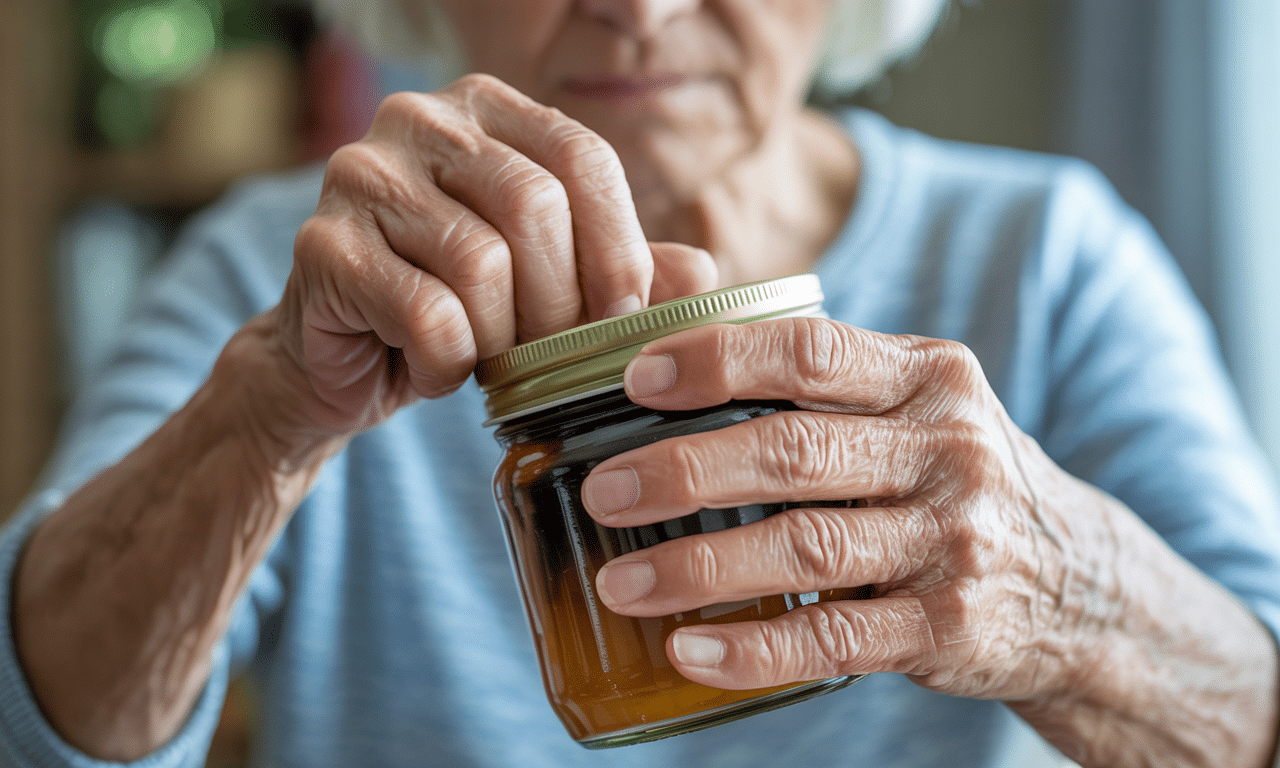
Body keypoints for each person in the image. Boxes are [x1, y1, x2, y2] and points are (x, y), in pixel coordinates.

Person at [3, 1, 1279, 766]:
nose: (638, 6)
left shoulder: (1044, 257)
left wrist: (1067, 597)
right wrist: (266, 418)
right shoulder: (292, 268)